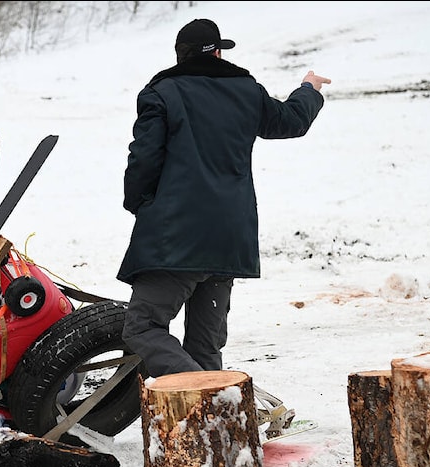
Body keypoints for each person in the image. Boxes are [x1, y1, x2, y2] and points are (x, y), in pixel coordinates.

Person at [117, 18, 330, 385]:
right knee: (205, 347)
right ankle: (217, 429)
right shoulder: (246, 90)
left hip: (176, 235)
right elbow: (292, 121)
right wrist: (308, 89)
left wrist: (140, 204)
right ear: (217, 52)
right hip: (229, 237)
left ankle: (214, 395)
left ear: (180, 56)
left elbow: (144, 159)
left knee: (143, 327)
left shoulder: (162, 92)